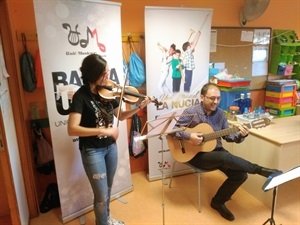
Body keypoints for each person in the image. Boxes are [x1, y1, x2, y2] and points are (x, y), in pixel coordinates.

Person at [170, 82, 282, 221]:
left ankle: (217, 202)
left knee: (241, 175)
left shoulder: (221, 115)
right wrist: (189, 136)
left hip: (216, 152)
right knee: (225, 157)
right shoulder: (191, 112)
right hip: (196, 155)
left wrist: (242, 134)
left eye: (218, 98)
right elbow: (172, 131)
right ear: (202, 97)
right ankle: (263, 171)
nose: (215, 101)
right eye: (212, 98)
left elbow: (229, 137)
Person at [68, 53, 151, 225]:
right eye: (103, 74)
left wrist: (138, 107)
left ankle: (105, 220)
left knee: (107, 189)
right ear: (92, 74)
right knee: (101, 195)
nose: (108, 77)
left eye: (108, 72)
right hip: (92, 151)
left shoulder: (109, 92)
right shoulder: (80, 96)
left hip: (110, 148)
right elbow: (72, 129)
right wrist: (104, 130)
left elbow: (120, 116)